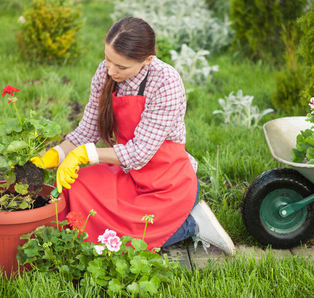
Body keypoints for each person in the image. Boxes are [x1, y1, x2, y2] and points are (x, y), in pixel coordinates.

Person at [32, 17, 235, 254]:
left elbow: (140, 152)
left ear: (147, 60)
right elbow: (89, 128)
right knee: (75, 186)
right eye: (108, 59)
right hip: (129, 171)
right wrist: (56, 154)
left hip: (166, 180)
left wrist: (85, 154)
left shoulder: (165, 82)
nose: (111, 70)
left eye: (121, 66)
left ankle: (193, 223)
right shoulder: (105, 73)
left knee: (128, 238)